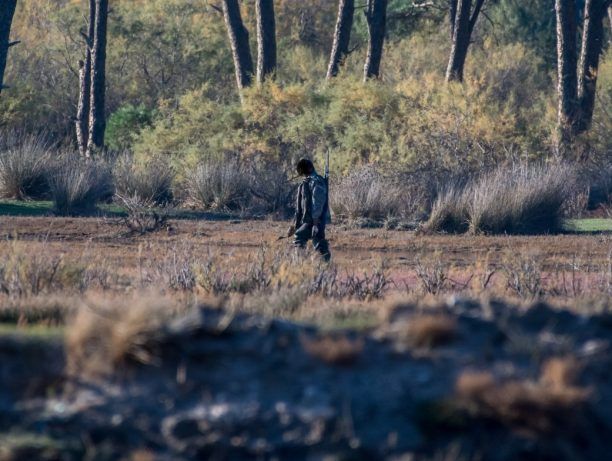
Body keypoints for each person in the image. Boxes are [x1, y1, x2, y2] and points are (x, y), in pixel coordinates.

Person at [288, 158, 331, 261]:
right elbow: (300, 207)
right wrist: (293, 225)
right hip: (308, 220)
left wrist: (316, 222)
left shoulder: (317, 182)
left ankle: (298, 263)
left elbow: (318, 203)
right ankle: (325, 265)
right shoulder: (306, 182)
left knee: (300, 237)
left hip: (314, 220)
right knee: (318, 242)